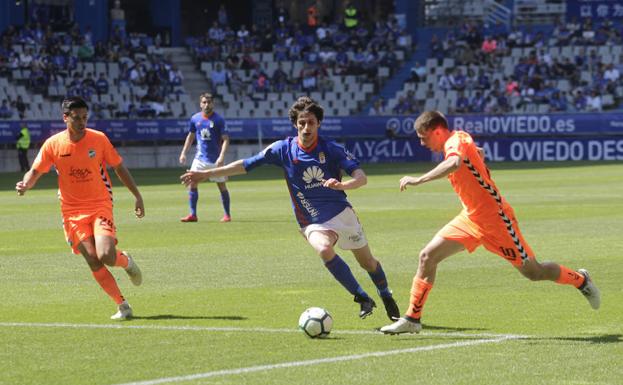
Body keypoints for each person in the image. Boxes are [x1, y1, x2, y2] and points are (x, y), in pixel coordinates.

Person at [180, 96, 401, 321]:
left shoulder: (332, 149)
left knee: (368, 263)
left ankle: (385, 294)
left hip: (342, 214)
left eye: (311, 123)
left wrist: (343, 185)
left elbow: (361, 177)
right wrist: (205, 174)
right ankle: (362, 297)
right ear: (295, 124)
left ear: (319, 124)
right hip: (311, 220)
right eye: (302, 123)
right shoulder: (283, 149)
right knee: (324, 249)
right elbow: (245, 165)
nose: (306, 127)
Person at [380, 110, 601, 334]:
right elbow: (476, 153)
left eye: (423, 137)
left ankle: (581, 280)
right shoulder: (460, 140)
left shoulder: (455, 141)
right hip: (471, 218)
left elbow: (454, 163)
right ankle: (412, 318)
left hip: (497, 221)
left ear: (437, 131)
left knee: (534, 272)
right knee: (428, 256)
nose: (421, 142)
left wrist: (419, 179)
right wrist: (478, 160)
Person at [15, 96, 144, 321]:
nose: (82, 122)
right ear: (65, 118)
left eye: (85, 117)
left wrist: (137, 196)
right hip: (72, 212)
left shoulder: (99, 139)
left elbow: (119, 167)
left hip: (99, 205)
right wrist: (26, 183)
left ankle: (126, 261)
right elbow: (35, 171)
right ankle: (122, 306)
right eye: (77, 118)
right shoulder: (53, 144)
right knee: (93, 259)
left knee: (106, 255)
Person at [179, 93, 231, 223]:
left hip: (215, 160)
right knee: (192, 183)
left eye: (209, 102)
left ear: (213, 103)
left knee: (221, 185)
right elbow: (190, 136)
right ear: (200, 104)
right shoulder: (195, 119)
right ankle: (193, 214)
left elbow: (225, 140)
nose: (207, 105)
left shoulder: (219, 120)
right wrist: (184, 152)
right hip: (200, 158)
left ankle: (227, 215)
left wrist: (221, 157)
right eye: (204, 102)